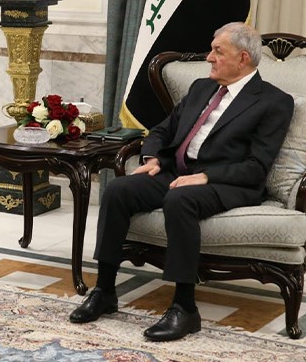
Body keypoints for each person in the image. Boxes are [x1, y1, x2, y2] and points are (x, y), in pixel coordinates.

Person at [69, 22, 294, 341]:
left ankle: (184, 308)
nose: (209, 58)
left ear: (243, 58)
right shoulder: (202, 88)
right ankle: (105, 291)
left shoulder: (273, 101)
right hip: (177, 172)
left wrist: (206, 176)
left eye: (218, 51)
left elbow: (257, 167)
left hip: (227, 183)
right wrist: (152, 159)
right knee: (118, 190)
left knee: (180, 200)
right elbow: (163, 130)